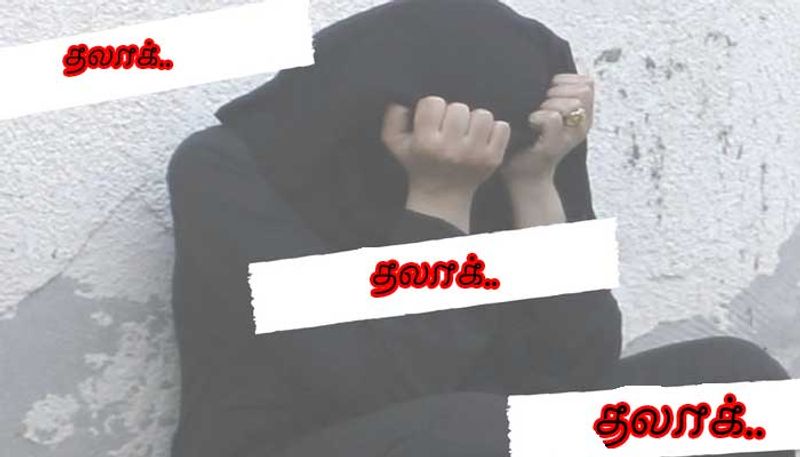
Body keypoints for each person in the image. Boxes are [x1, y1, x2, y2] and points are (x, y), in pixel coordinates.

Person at [166, 1, 791, 455]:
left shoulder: (504, 159)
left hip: (479, 429)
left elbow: (579, 362)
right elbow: (388, 382)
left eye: (504, 139)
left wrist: (534, 180)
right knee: (475, 430)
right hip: (305, 439)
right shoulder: (228, 174)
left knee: (735, 384)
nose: (484, 153)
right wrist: (439, 202)